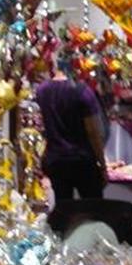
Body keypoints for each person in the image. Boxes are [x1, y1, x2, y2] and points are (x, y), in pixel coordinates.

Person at [35, 70, 108, 201]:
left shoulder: (42, 90)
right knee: (93, 207)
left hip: (56, 159)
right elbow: (93, 132)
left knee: (63, 207)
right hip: (82, 159)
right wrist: (102, 164)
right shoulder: (83, 91)